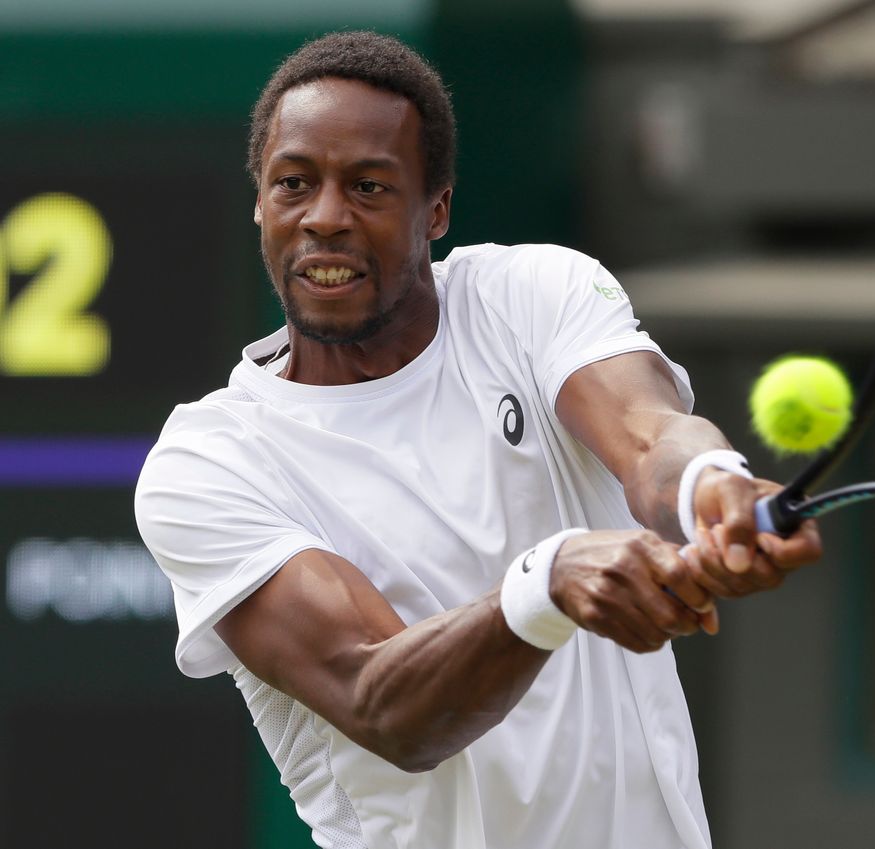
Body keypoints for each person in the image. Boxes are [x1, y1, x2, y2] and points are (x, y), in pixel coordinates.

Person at [134, 30, 822, 849]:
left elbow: (649, 437)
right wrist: (548, 582)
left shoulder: (529, 294)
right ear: (260, 201)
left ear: (436, 209)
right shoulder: (209, 463)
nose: (325, 217)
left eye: (368, 186)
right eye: (293, 183)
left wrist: (711, 483)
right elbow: (383, 704)